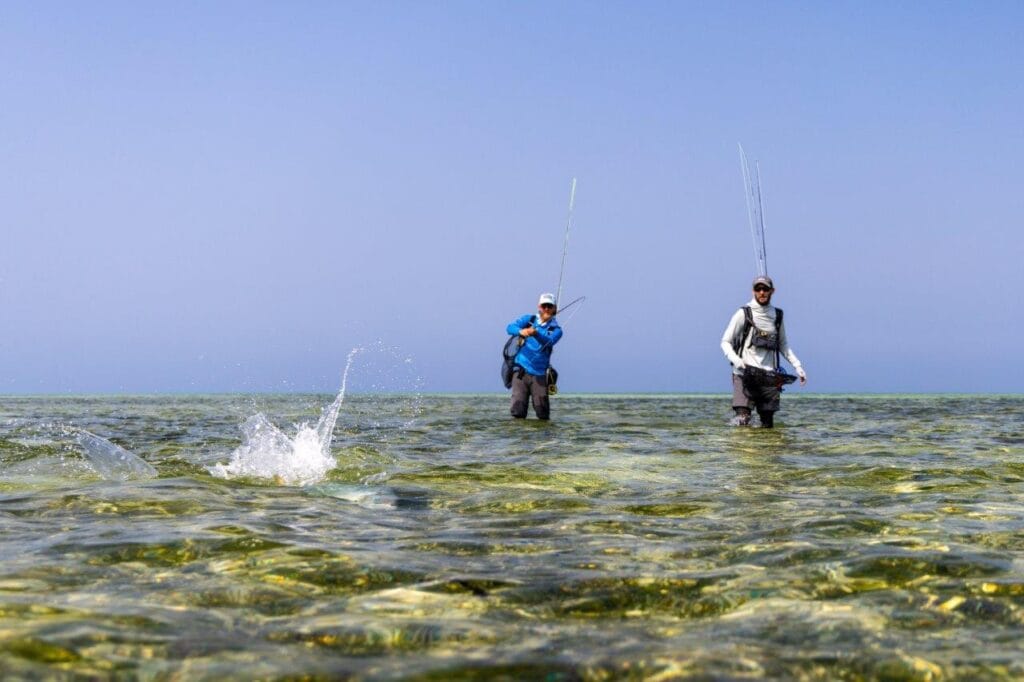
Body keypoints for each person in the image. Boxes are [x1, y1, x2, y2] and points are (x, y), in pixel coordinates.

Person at [720, 276, 807, 428]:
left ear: (772, 291)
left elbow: (783, 345)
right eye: (758, 289)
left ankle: (765, 450)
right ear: (753, 291)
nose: (761, 292)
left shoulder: (778, 315)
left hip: (769, 378)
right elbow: (725, 342)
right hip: (744, 374)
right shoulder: (743, 313)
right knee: (742, 420)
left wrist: (798, 367)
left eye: (765, 289)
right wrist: (737, 361)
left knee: (767, 425)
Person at [506, 293, 563, 420]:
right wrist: (522, 331)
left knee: (543, 414)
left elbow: (549, 341)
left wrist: (536, 333)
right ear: (539, 306)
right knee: (518, 411)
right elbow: (509, 327)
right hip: (521, 371)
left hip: (540, 374)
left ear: (554, 308)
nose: (546, 309)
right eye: (544, 306)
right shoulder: (529, 319)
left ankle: (543, 439)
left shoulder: (557, 330)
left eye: (550, 306)